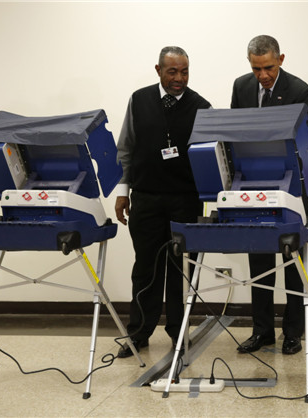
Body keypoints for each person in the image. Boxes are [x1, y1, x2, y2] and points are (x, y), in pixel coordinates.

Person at [115, 46, 211, 358]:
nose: (179, 78)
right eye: (172, 71)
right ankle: (139, 332)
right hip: (146, 199)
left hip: (186, 201)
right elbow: (125, 148)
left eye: (184, 71)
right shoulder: (138, 100)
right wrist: (121, 190)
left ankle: (178, 332)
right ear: (158, 70)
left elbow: (213, 157)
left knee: (181, 269)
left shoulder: (202, 107)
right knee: (145, 267)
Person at [231, 35, 308, 355]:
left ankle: (292, 332)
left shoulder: (298, 90)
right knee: (259, 261)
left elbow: (292, 138)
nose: (262, 75)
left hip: (292, 182)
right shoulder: (241, 87)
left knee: (293, 260)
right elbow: (236, 134)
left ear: (280, 58)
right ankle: (262, 330)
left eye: (267, 67)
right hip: (253, 183)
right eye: (256, 68)